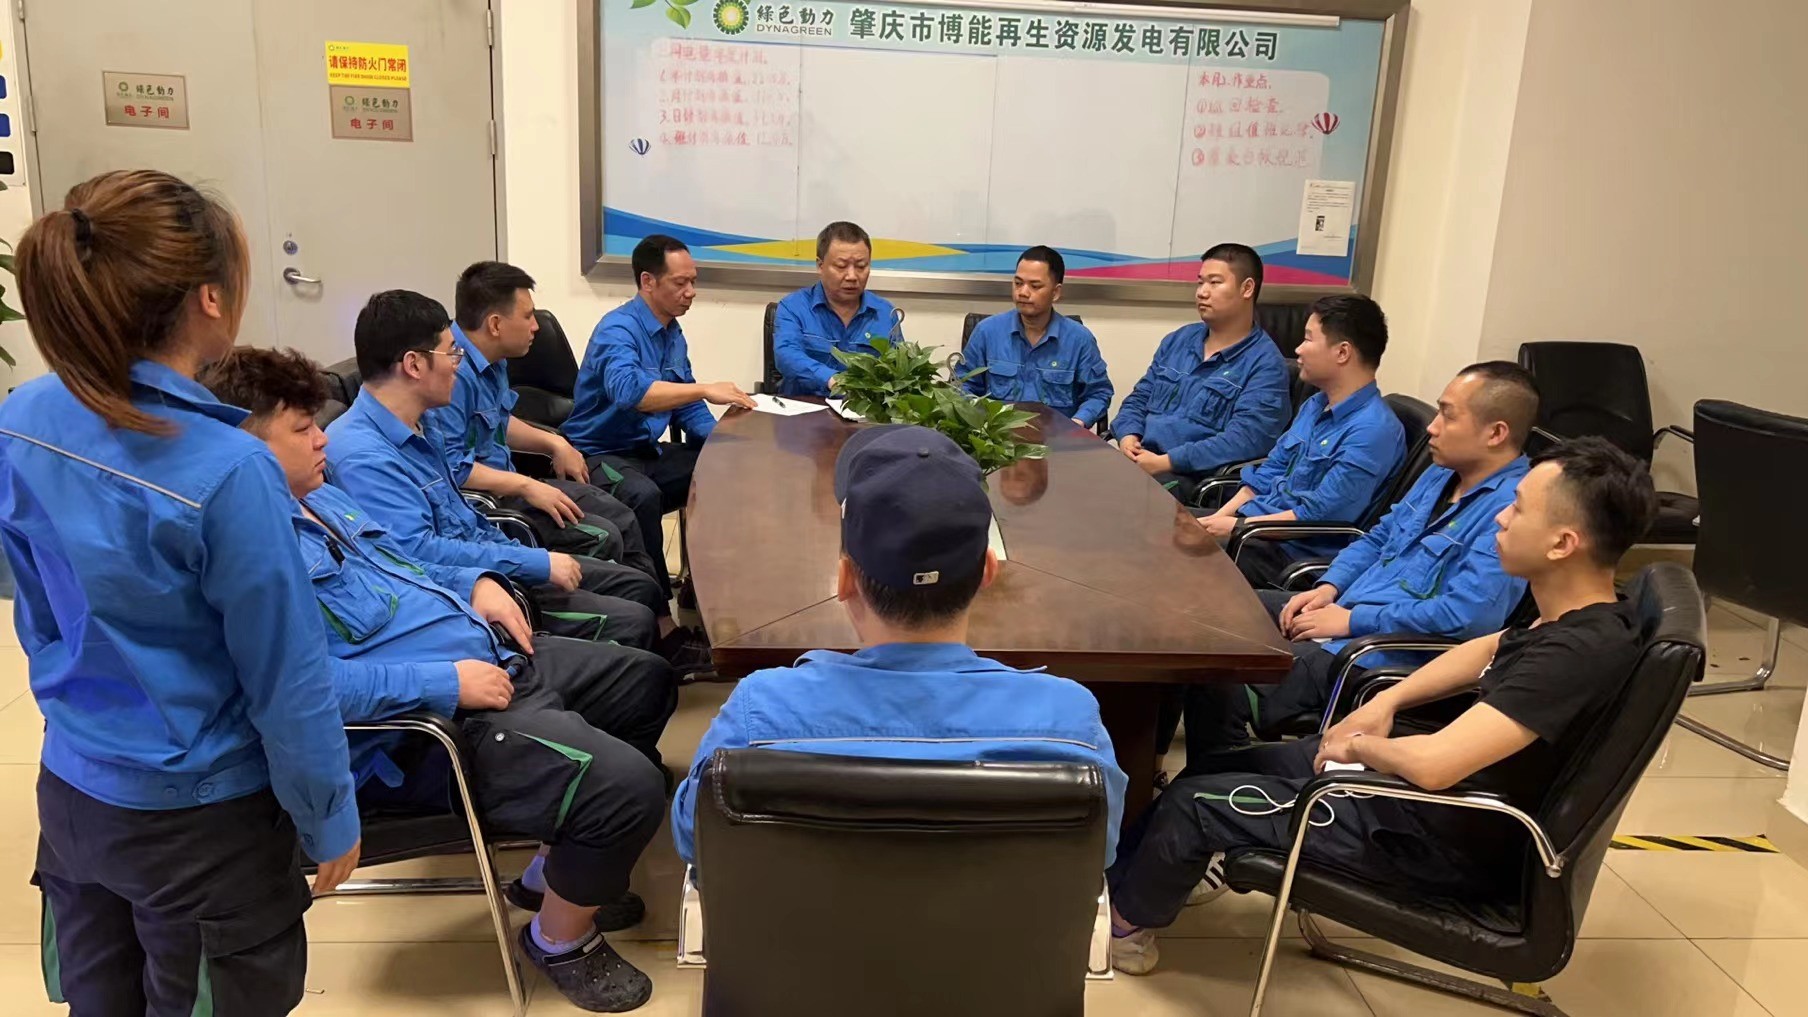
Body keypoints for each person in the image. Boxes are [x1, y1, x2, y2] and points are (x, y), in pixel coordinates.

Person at [200, 347, 673, 1012]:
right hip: (426, 729)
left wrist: (477, 581)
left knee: (647, 681)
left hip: (489, 658)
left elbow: (407, 563)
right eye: (303, 429)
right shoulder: (251, 554)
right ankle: (558, 938)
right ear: (244, 447)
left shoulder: (321, 497)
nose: (322, 438)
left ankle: (554, 870)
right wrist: (444, 682)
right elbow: (302, 689)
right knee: (630, 786)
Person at [0, 170, 360, 1015]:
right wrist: (328, 817)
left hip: (73, 794)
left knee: (99, 998)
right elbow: (288, 680)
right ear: (209, 298)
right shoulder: (230, 470)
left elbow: (35, 609)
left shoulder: (23, 417)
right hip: (201, 829)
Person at [1107, 437, 1658, 975]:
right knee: (1212, 769)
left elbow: (1436, 766)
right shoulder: (1580, 614)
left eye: (1517, 509)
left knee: (1196, 802)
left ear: (1562, 543)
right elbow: (1483, 649)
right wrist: (1388, 700)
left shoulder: (1574, 655)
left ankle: (1124, 933)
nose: (1500, 517)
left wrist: (1362, 746)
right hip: (1413, 799)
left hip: (1427, 834)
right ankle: (1119, 883)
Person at [672, 424, 1129, 871]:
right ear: (988, 571)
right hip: (1001, 925)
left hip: (808, 923)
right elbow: (1098, 853)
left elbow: (695, 837)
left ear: (845, 580)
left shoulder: (760, 713)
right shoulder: (1072, 723)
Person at [1185, 362, 1541, 756]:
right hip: (1344, 611)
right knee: (1211, 615)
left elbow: (1468, 616)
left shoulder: (1510, 510)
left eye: (1448, 415)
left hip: (1376, 653)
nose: (1432, 427)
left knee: (1219, 665)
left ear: (1495, 433)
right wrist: (1329, 586)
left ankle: (1221, 769)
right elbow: (1378, 537)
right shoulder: (1443, 474)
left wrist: (1352, 621)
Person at [326, 289, 664, 653]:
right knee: (636, 624)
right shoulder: (362, 457)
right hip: (473, 596)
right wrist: (533, 562)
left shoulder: (423, 422)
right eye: (451, 352)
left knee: (641, 587)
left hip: (492, 559)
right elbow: (418, 554)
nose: (458, 363)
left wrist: (522, 555)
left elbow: (461, 520)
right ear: (414, 365)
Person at [422, 262, 708, 666]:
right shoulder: (454, 373)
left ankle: (653, 628)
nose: (535, 326)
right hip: (492, 504)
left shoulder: (493, 359)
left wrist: (552, 442)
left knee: (623, 516)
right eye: (528, 316)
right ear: (495, 324)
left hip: (512, 483)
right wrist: (527, 485)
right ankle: (634, 633)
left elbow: (499, 422)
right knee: (606, 533)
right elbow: (455, 470)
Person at [562, 234, 756, 602]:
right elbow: (630, 394)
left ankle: (704, 589)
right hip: (598, 455)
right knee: (642, 496)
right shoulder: (617, 330)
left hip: (646, 452)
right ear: (648, 282)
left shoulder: (672, 334)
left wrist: (723, 441)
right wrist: (704, 389)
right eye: (680, 283)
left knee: (727, 466)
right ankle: (659, 611)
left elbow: (686, 405)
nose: (691, 292)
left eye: (693, 282)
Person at [1193, 294, 1407, 587]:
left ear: (1342, 352)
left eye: (1308, 339)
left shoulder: (1373, 432)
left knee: (1174, 560)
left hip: (1290, 554)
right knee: (1165, 527)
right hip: (1254, 527)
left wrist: (1236, 526)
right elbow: (1268, 473)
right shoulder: (1316, 404)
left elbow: (1318, 516)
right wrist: (1219, 518)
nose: (1298, 349)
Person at [1111, 244, 1291, 501]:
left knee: (1111, 502)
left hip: (1193, 480)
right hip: (1141, 461)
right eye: (1200, 282)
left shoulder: (1265, 364)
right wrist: (1128, 436)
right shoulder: (1179, 340)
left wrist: (1167, 461)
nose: (1202, 292)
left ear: (1247, 288)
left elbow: (1245, 439)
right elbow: (1139, 399)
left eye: (1214, 283)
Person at [958, 246, 1113, 429]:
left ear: (1055, 292)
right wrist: (980, 422)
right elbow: (963, 387)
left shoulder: (1079, 340)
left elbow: (1098, 393)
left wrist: (1076, 424)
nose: (1023, 292)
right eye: (1018, 283)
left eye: (1035, 286)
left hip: (1057, 439)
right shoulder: (986, 332)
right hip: (997, 438)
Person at [772, 221, 904, 397]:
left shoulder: (885, 313)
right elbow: (786, 355)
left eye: (861, 266)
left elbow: (900, 370)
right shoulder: (793, 307)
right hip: (806, 408)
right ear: (820, 266)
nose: (852, 276)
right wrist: (832, 380)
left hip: (865, 410)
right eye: (841, 266)